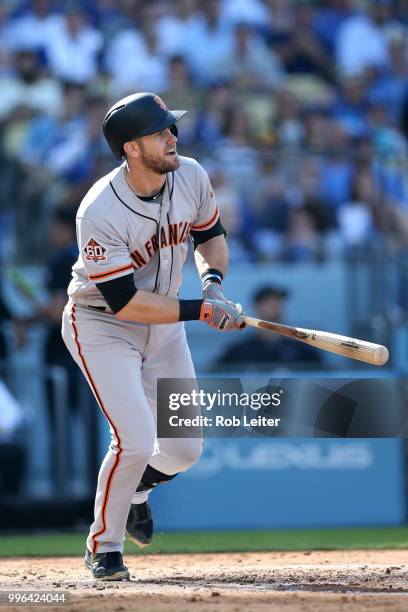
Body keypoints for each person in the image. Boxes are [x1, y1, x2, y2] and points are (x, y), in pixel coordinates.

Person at [61, 92, 245, 580]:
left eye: (172, 128)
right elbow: (124, 302)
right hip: (103, 325)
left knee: (184, 449)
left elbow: (210, 238)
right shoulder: (99, 209)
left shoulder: (190, 174)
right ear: (131, 149)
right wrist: (198, 308)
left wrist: (213, 285)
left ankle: (137, 489)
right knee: (137, 439)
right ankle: (104, 547)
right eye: (160, 132)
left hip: (163, 328)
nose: (173, 137)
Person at [216, 285, 322, 371]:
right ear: (256, 307)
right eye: (268, 302)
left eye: (279, 301)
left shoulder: (301, 349)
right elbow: (216, 377)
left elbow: (326, 375)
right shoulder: (240, 350)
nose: (275, 306)